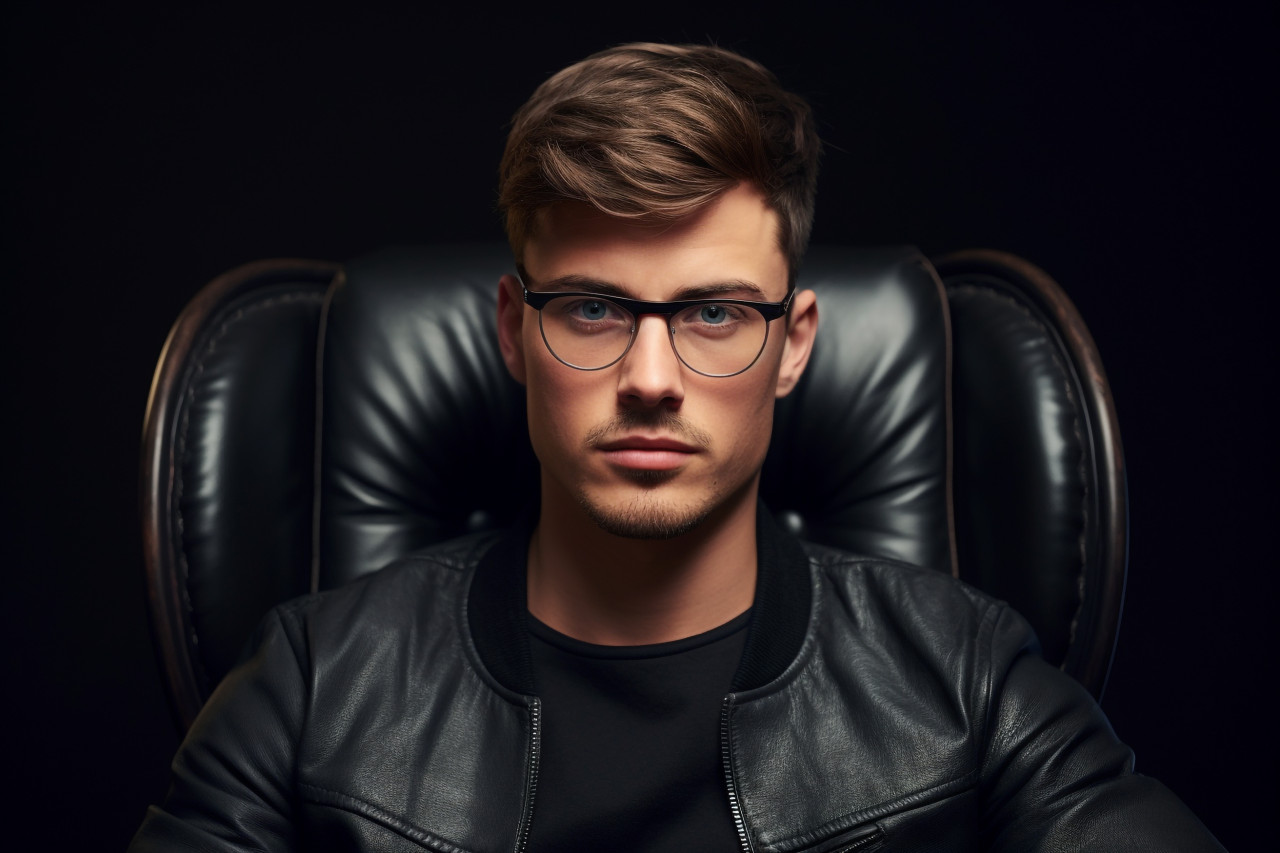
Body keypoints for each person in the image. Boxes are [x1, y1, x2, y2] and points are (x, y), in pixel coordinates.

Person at [130, 43, 1223, 852]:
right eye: (595, 311)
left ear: (790, 345)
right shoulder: (313, 681)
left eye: (710, 314)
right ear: (514, 331)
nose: (649, 380)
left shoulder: (965, 678)